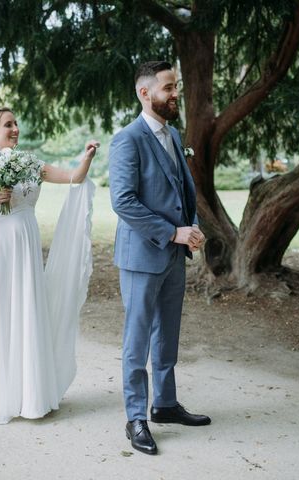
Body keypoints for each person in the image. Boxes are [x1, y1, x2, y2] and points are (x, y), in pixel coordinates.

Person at [0, 106, 98, 424]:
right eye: (8, 124)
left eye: (16, 123)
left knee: (30, 313)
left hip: (26, 243)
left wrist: (88, 156)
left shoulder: (30, 164)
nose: (15, 128)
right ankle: (9, 398)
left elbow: (72, 178)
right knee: (4, 318)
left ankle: (34, 396)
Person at [108, 61, 210, 455]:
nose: (175, 94)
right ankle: (136, 418)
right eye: (168, 88)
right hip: (141, 256)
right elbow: (124, 202)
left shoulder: (173, 134)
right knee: (137, 340)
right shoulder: (127, 140)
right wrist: (171, 232)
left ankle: (164, 404)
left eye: (176, 87)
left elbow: (184, 191)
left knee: (167, 333)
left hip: (174, 254)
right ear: (144, 93)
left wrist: (193, 228)